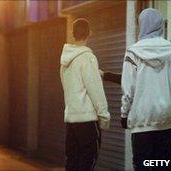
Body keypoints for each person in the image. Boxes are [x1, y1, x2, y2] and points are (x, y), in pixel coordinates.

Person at [120, 8, 171, 171]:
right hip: (164, 122)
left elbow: (128, 90)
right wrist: (168, 103)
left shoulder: (132, 52)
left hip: (141, 123)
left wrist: (124, 113)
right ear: (160, 25)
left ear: (141, 25)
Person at [60, 18, 110, 171]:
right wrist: (104, 116)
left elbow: (67, 88)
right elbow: (95, 90)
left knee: (72, 162)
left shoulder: (64, 61)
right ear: (90, 33)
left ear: (72, 34)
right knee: (88, 162)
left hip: (71, 121)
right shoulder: (87, 58)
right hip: (87, 121)